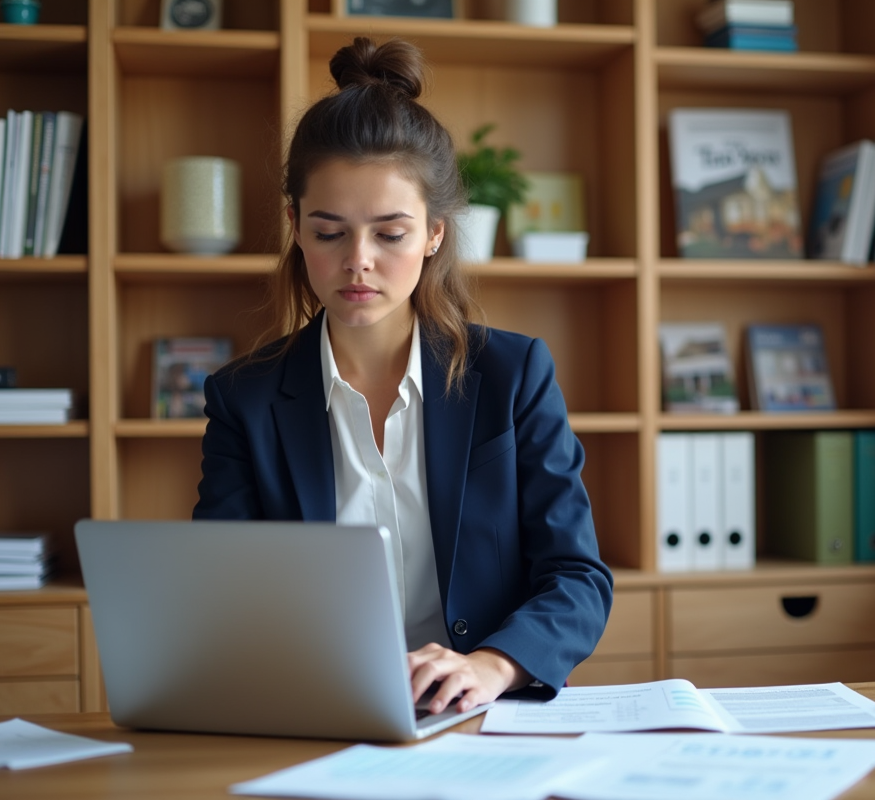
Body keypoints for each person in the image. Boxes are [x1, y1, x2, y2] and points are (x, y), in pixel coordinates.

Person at [193, 36, 613, 717]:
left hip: (482, 716)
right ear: (295, 226)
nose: (358, 262)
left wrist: (490, 666)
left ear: (435, 233)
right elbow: (222, 593)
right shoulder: (244, 398)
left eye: (390, 233)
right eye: (330, 232)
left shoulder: (512, 375)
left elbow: (577, 577)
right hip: (318, 712)